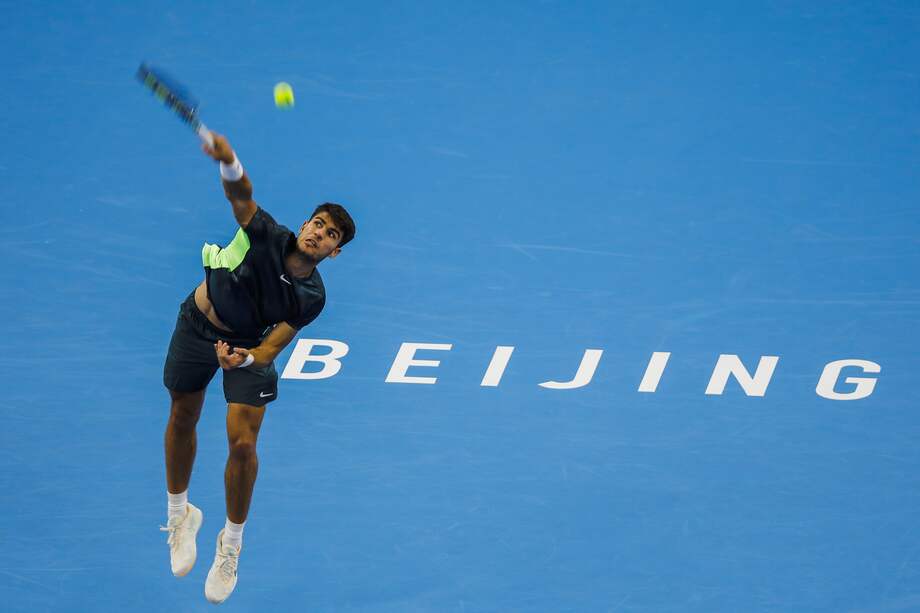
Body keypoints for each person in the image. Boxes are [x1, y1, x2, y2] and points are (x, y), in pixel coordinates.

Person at [159, 133, 356, 604]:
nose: (319, 233)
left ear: (335, 251)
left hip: (247, 347)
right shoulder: (265, 231)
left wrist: (243, 358)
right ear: (306, 222)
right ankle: (180, 513)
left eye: (331, 234)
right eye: (318, 223)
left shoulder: (312, 298)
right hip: (198, 324)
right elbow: (239, 194)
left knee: (243, 445)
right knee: (183, 415)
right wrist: (228, 159)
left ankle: (231, 545)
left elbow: (272, 348)